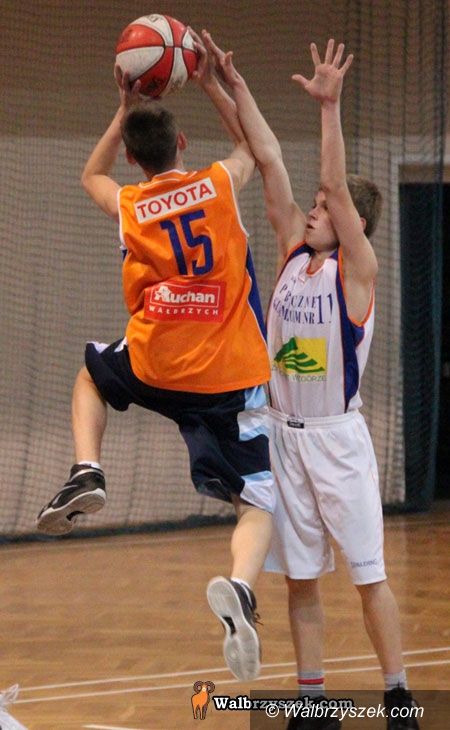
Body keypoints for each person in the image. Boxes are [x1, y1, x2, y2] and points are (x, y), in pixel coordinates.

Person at [36, 37, 275, 683]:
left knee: (92, 374)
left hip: (156, 360)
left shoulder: (132, 204)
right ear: (182, 146)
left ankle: (87, 469)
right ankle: (241, 587)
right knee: (256, 500)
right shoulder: (218, 184)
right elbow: (253, 148)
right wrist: (212, 84)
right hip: (228, 370)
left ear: (134, 157)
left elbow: (90, 177)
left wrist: (122, 109)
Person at [203, 32, 420, 729]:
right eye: (318, 206)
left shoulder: (358, 272)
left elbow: (334, 183)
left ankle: (397, 694)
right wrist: (224, 87)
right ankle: (311, 701)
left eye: (326, 206)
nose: (315, 209)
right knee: (300, 579)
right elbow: (267, 157)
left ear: (354, 222)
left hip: (337, 440)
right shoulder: (295, 251)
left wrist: (329, 109)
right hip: (285, 440)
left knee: (367, 576)